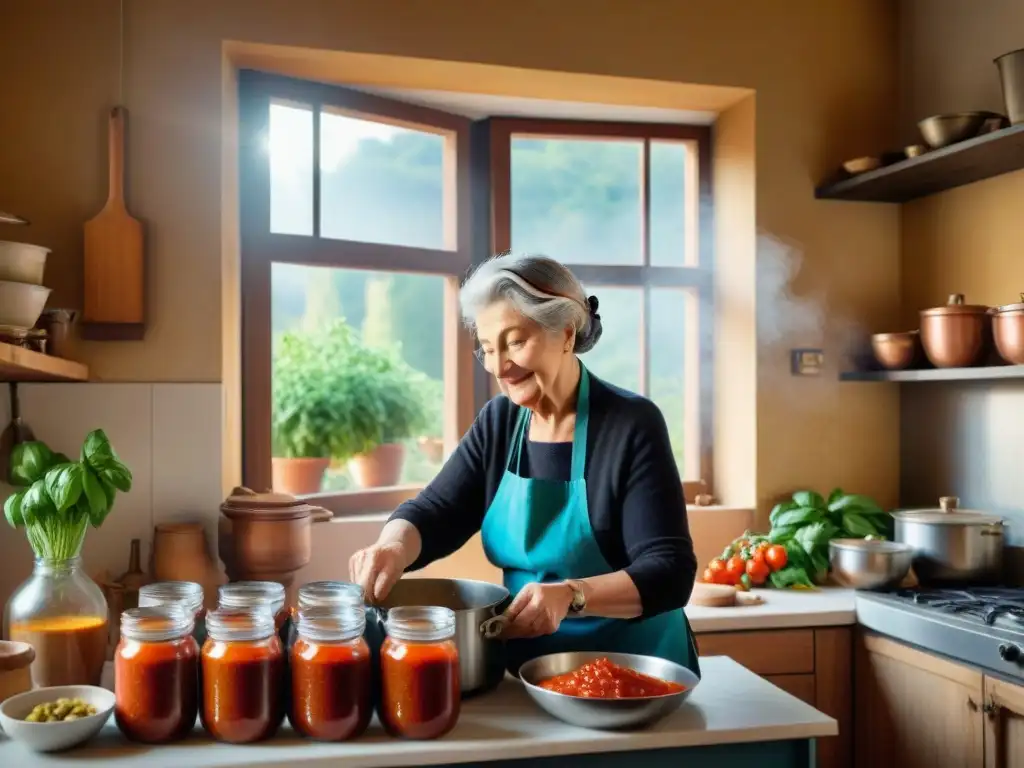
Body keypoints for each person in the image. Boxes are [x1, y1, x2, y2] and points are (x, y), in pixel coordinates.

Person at [349, 253, 700, 677]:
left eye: (515, 342)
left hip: (631, 673)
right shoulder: (499, 423)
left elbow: (669, 572)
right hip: (528, 671)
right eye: (488, 348)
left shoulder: (631, 424)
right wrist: (392, 547)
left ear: (566, 333)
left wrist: (571, 595)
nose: (500, 365)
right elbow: (436, 512)